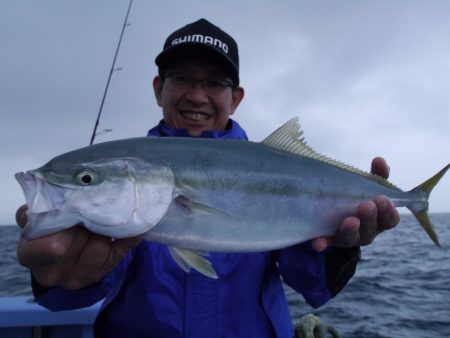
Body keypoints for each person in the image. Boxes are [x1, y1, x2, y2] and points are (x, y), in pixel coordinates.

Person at [16, 19, 400, 338]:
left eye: (215, 83)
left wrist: (340, 248)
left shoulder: (272, 164)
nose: (197, 96)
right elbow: (67, 297)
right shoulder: (127, 185)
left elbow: (313, 285)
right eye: (182, 78)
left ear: (236, 98)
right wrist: (57, 275)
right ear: (157, 88)